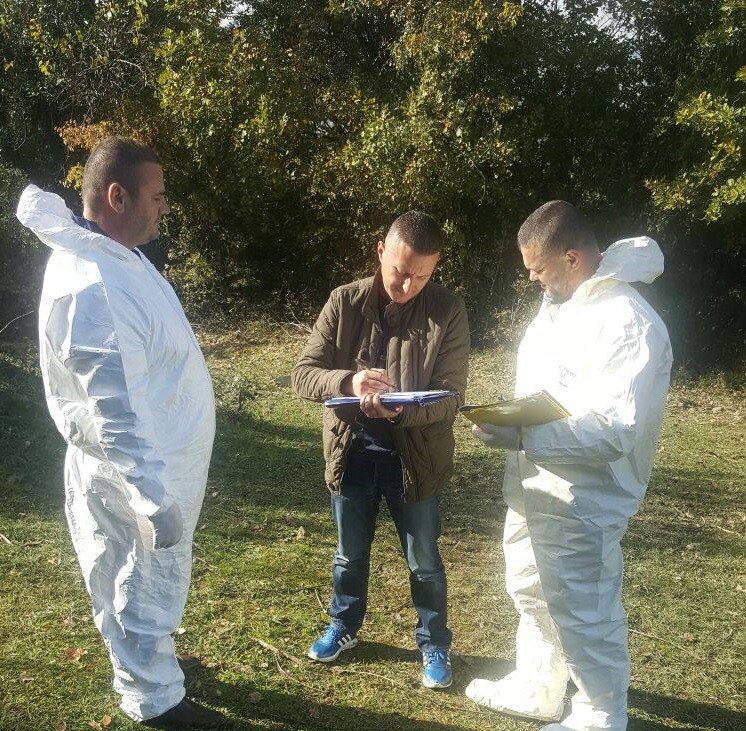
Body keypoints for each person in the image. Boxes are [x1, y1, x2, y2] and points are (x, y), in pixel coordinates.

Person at [17, 137, 225, 729]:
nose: (164, 208)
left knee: (132, 575)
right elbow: (117, 411)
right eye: (156, 197)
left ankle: (147, 664)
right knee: (141, 577)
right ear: (117, 196)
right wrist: (151, 496)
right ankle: (154, 701)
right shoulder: (95, 285)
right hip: (135, 474)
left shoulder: (113, 256)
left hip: (154, 463)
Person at [465, 201, 672, 731]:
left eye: (538, 268)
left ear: (572, 257)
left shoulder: (626, 321)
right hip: (535, 482)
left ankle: (601, 713)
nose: (532, 278)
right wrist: (512, 424)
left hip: (585, 495)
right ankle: (538, 686)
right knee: (529, 586)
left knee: (583, 606)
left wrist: (524, 434)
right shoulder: (562, 304)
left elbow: (616, 427)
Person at [291, 211, 470, 689]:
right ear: (380, 252)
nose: (408, 285)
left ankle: (434, 642)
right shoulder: (344, 301)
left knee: (424, 560)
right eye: (400, 271)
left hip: (416, 460)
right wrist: (348, 382)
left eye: (422, 276)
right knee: (349, 555)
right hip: (351, 454)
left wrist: (400, 411)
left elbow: (452, 397)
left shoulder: (448, 310)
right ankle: (343, 625)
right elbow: (303, 374)